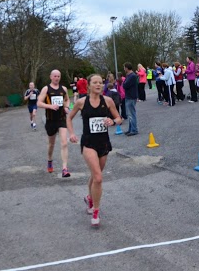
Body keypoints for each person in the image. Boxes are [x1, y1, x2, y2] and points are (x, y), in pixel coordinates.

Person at [67, 74, 122, 227]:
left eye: (100, 82)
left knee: (95, 174)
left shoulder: (108, 101)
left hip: (103, 143)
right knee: (98, 177)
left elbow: (119, 118)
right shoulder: (81, 102)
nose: (98, 85)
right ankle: (95, 210)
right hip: (88, 143)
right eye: (95, 82)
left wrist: (113, 121)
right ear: (89, 85)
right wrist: (71, 133)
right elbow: (69, 118)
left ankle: (90, 198)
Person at [37, 70, 71, 177]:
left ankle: (64, 168)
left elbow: (67, 100)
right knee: (51, 144)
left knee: (64, 143)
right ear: (51, 77)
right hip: (51, 120)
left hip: (61, 119)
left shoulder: (64, 89)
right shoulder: (46, 89)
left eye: (59, 76)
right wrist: (50, 106)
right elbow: (39, 102)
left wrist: (66, 107)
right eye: (55, 76)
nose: (57, 78)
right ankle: (50, 160)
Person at [123, 62, 139, 136]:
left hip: (131, 97)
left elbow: (125, 85)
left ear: (126, 68)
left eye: (124, 67)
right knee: (129, 114)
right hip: (128, 96)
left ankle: (134, 129)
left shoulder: (132, 76)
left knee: (132, 114)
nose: (124, 69)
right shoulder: (129, 75)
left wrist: (124, 82)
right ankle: (130, 129)